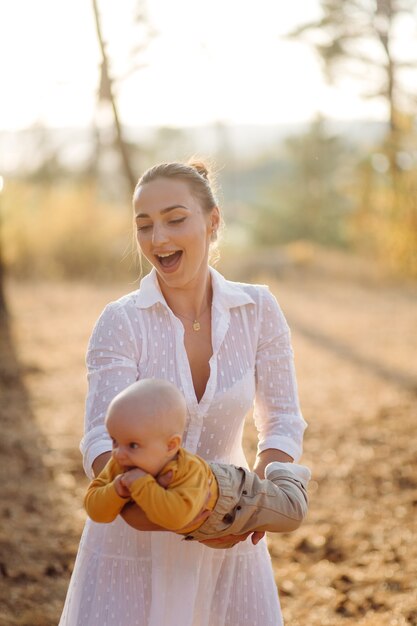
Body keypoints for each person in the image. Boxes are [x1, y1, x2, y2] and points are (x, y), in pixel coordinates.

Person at [58, 160, 308, 626]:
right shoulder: (121, 321)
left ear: (213, 221)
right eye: (144, 225)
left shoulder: (258, 310)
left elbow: (282, 422)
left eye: (175, 219)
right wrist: (175, 510)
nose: (158, 240)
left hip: (231, 541)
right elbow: (98, 440)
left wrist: (250, 504)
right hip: (132, 538)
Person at [84, 378, 311, 543]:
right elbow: (95, 509)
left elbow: (176, 516)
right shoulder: (120, 465)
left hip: (234, 494)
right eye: (114, 441)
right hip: (206, 525)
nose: (119, 453)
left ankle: (285, 475)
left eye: (133, 445)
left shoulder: (188, 470)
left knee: (292, 514)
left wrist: (141, 485)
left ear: (171, 446)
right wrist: (117, 490)